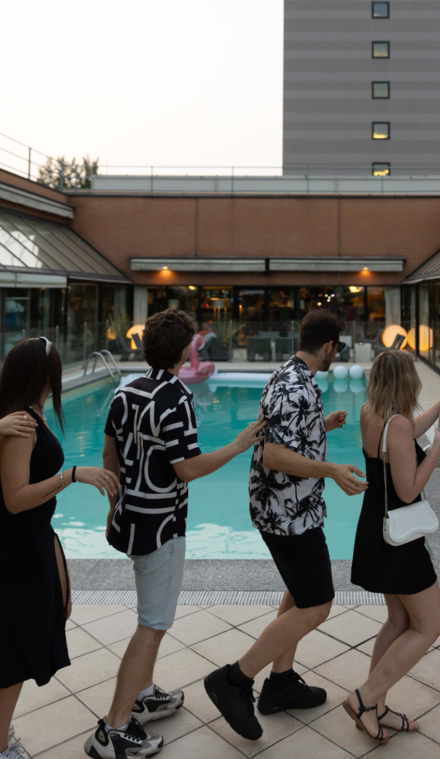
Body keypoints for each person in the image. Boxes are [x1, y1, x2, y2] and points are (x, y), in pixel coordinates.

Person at [84, 310, 265, 759]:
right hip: (161, 525)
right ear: (185, 351)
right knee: (152, 625)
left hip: (132, 518)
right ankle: (114, 728)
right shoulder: (176, 398)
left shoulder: (125, 391)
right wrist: (238, 445)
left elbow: (109, 457)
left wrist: (114, 509)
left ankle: (143, 694)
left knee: (153, 617)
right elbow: (188, 469)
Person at [204, 310, 368, 741]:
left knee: (300, 593)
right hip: (287, 515)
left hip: (290, 509)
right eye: (338, 347)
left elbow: (285, 435)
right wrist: (332, 469)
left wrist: (321, 425)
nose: (338, 353)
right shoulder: (295, 386)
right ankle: (234, 680)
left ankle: (280, 684)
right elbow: (276, 456)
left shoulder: (291, 375)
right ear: (329, 345)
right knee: (318, 604)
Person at [0, 338, 117, 759]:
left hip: (32, 542)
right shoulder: (22, 423)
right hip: (17, 552)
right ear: (44, 374)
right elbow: (15, 500)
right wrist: (72, 475)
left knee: (28, 637)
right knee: (14, 653)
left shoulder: (27, 415)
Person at [345, 351, 440, 741]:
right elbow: (408, 490)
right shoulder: (399, 425)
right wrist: (438, 449)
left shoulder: (369, 413)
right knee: (430, 625)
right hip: (400, 540)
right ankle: (364, 698)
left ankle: (375, 706)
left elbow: (403, 433)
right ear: (407, 381)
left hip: (376, 527)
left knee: (398, 621)